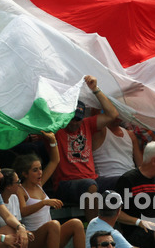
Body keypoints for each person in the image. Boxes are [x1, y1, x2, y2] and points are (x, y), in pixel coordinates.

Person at [53, 76, 118, 221]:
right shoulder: (57, 128)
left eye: (78, 119)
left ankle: (126, 226)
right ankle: (94, 231)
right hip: (66, 184)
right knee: (90, 185)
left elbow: (112, 114)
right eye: (72, 118)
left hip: (91, 179)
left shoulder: (86, 124)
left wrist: (95, 89)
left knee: (124, 180)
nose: (75, 123)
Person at [14, 137, 86, 248]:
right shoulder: (20, 190)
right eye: (35, 170)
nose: (40, 173)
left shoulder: (39, 185)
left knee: (76, 223)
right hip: (33, 237)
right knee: (54, 224)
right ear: (25, 174)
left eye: (40, 168)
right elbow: (22, 211)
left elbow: (55, 160)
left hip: (52, 235)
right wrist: (44, 203)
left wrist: (52, 140)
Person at [92, 119, 141, 192]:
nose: (117, 116)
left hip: (130, 178)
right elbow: (95, 118)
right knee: (127, 182)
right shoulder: (99, 132)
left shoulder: (131, 135)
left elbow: (141, 164)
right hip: (108, 179)